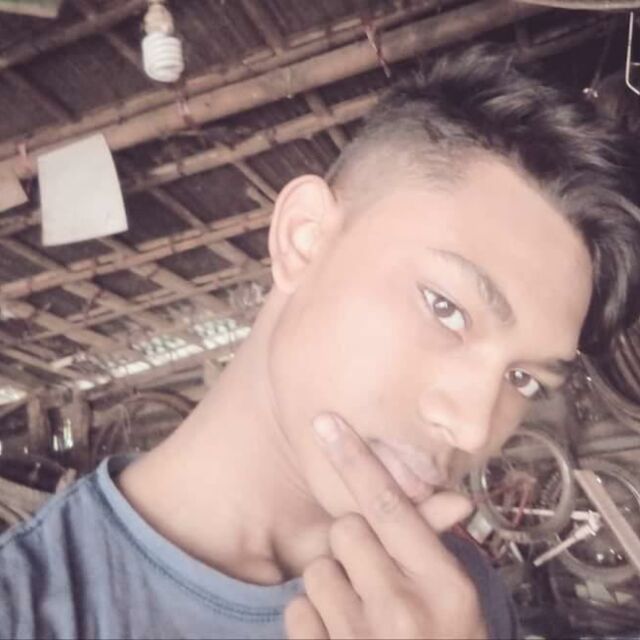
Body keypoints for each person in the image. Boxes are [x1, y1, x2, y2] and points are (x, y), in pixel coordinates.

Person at [2, 44, 640, 640]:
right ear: (303, 239)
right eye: (446, 308)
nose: (474, 429)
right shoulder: (27, 608)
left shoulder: (453, 596)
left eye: (523, 379)